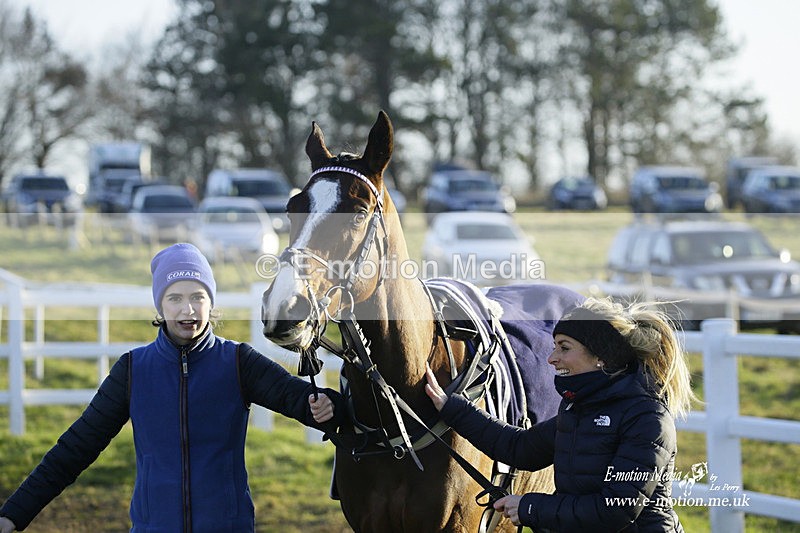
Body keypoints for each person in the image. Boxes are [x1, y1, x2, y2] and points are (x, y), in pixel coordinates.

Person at [0, 243, 344, 533]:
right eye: (175, 299)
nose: (188, 309)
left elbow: (303, 401)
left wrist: (329, 406)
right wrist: (12, 516)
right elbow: (74, 449)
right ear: (160, 307)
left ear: (211, 302)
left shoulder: (238, 362)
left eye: (197, 297)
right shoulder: (133, 371)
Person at [425, 296, 695, 532]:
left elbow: (617, 508)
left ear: (602, 357)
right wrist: (452, 407)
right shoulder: (577, 408)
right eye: (555, 346)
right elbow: (519, 447)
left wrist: (530, 508)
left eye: (564, 347)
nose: (551, 358)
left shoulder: (647, 418)